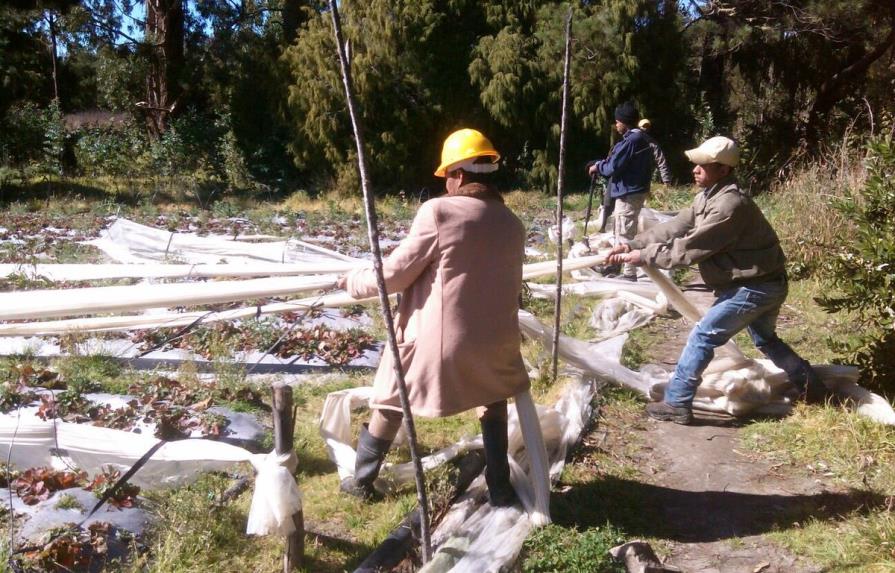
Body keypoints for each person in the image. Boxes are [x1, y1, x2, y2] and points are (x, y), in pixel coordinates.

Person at [336, 128, 530, 506]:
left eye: (447, 178)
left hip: (441, 345)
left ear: (457, 174)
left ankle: (361, 481)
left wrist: (352, 281)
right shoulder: (511, 222)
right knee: (493, 400)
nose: (446, 185)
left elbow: (394, 275)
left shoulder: (439, 212)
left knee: (392, 397)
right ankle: (501, 487)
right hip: (497, 342)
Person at [607, 136, 827, 425]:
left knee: (704, 335)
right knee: (766, 339)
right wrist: (634, 245)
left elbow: (689, 248)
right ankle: (813, 388)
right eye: (696, 164)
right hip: (762, 284)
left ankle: (677, 402)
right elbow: (676, 226)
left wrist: (645, 257)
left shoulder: (729, 206)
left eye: (704, 165)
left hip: (756, 288)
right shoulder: (709, 195)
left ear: (724, 170)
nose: (695, 169)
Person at [587, 102, 655, 281]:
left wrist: (597, 166)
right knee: (620, 230)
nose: (616, 125)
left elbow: (613, 167)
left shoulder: (632, 141)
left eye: (618, 121)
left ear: (625, 122)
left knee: (625, 233)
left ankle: (629, 274)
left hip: (629, 193)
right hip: (632, 191)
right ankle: (616, 267)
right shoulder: (640, 139)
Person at [638, 118, 673, 185]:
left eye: (647, 126)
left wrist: (666, 181)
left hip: (644, 178)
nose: (645, 128)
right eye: (644, 126)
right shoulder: (630, 140)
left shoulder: (653, 144)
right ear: (639, 127)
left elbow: (661, 161)